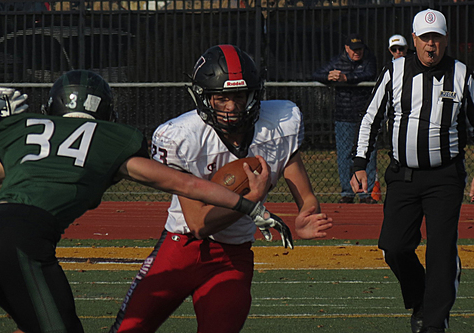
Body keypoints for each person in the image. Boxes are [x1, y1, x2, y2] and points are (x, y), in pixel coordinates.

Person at [0, 70, 283, 333]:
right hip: (23, 243)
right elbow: (187, 184)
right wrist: (249, 206)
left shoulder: (28, 139)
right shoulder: (109, 140)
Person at [109, 44, 333, 333]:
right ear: (204, 97)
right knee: (129, 329)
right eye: (221, 98)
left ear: (253, 94)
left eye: (238, 96)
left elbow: (304, 191)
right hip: (181, 249)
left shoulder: (280, 124)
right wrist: (252, 199)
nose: (231, 107)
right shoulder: (182, 137)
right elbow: (199, 224)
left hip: (233, 256)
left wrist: (307, 212)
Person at [351, 9, 474, 333]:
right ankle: (421, 297)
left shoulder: (461, 74)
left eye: (437, 38)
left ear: (446, 40)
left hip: (445, 178)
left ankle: (433, 323)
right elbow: (370, 118)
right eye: (425, 38)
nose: (431, 46)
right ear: (414, 39)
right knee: (394, 247)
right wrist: (360, 163)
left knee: (440, 253)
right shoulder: (395, 71)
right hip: (403, 176)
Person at [312, 33, 378, 204]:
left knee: (367, 154)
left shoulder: (369, 60)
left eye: (360, 49)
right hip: (344, 116)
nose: (357, 52)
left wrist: (346, 78)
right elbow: (317, 73)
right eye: (354, 49)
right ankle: (347, 193)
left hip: (365, 116)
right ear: (346, 49)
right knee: (344, 156)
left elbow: (370, 74)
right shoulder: (337, 61)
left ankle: (366, 194)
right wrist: (329, 77)